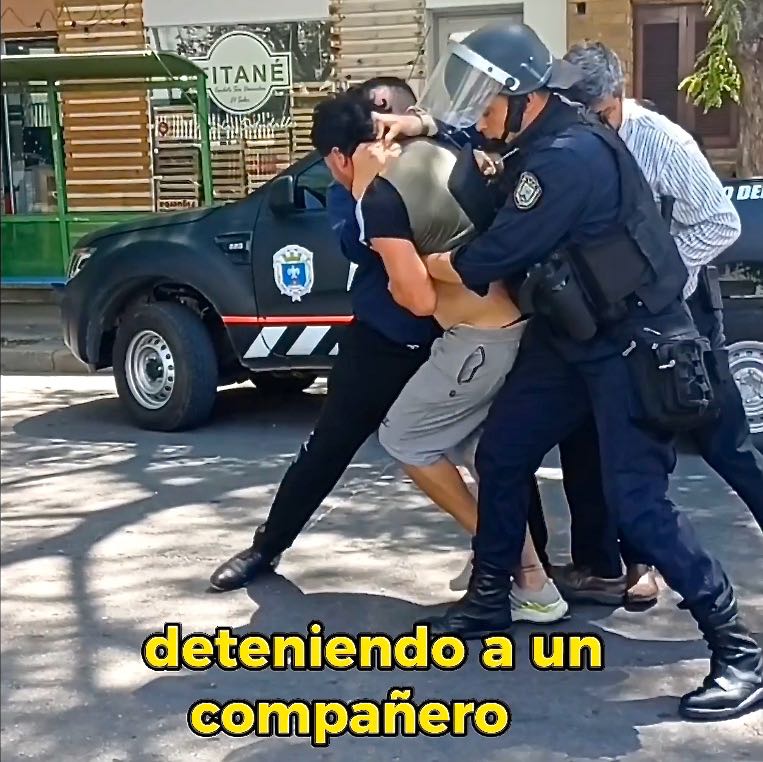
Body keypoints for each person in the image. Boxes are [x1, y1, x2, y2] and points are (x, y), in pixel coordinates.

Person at [375, 21, 763, 720]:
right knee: (502, 453)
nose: (478, 114)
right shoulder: (542, 131)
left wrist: (425, 261)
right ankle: (490, 599)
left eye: (488, 99)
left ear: (525, 98)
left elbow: (489, 258)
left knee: (637, 505)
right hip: (570, 337)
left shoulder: (567, 158)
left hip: (633, 344)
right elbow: (474, 132)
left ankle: (737, 651)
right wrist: (424, 123)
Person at [548, 41, 763, 605]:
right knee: (614, 449)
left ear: (615, 97)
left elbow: (720, 223)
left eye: (595, 112)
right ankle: (624, 565)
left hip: (680, 320)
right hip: (611, 323)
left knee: (725, 444)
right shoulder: (569, 140)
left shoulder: (661, 141)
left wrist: (655, 273)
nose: (585, 123)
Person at [209, 78, 440, 592]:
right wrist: (368, 189)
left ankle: (522, 565)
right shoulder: (347, 190)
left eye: (387, 123)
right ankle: (268, 545)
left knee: (494, 454)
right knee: (327, 445)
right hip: (381, 338)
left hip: (458, 338)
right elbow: (358, 247)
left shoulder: (440, 162)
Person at [345, 96, 567, 623]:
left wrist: (400, 258)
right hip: (505, 326)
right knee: (472, 449)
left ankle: (511, 562)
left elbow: (419, 300)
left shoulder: (381, 196)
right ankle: (530, 582)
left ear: (342, 155)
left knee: (405, 438)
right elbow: (457, 131)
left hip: (478, 340)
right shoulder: (439, 149)